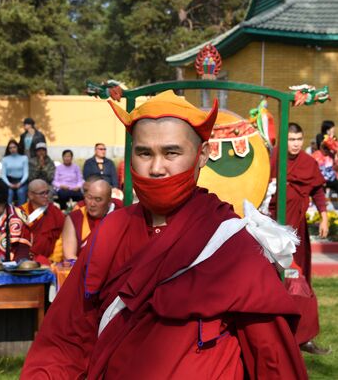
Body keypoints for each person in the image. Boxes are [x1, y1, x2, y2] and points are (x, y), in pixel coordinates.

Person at [22, 90, 307, 379]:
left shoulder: (233, 244)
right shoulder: (113, 230)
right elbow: (67, 334)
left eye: (171, 153)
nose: (157, 168)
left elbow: (273, 358)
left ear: (202, 155)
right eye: (144, 153)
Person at [269, 122, 329, 354]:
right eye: (291, 139)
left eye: (299, 139)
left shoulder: (307, 163)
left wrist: (323, 216)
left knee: (299, 279)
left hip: (297, 233)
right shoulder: (272, 161)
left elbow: (317, 191)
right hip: (272, 232)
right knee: (273, 280)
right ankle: (275, 333)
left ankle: (304, 337)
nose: (295, 144)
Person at [62, 178, 112, 261]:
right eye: (89, 198)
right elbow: (69, 256)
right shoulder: (75, 217)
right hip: (83, 269)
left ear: (109, 202)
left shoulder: (117, 213)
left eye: (98, 199)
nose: (92, 204)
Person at [21, 179, 65, 264]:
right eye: (42, 193)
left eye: (47, 192)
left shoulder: (55, 212)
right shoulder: (20, 212)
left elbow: (61, 238)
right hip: (24, 261)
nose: (46, 196)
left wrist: (53, 260)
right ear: (30, 195)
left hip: (48, 261)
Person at [1, 139, 29, 205]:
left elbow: (26, 173)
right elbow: (3, 175)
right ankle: (9, 212)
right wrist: (9, 184)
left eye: (14, 147)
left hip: (21, 181)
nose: (12, 149)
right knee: (9, 193)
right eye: (10, 148)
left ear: (17, 147)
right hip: (9, 181)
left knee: (21, 192)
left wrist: (20, 183)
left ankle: (21, 212)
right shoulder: (5, 159)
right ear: (8, 149)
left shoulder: (24, 158)